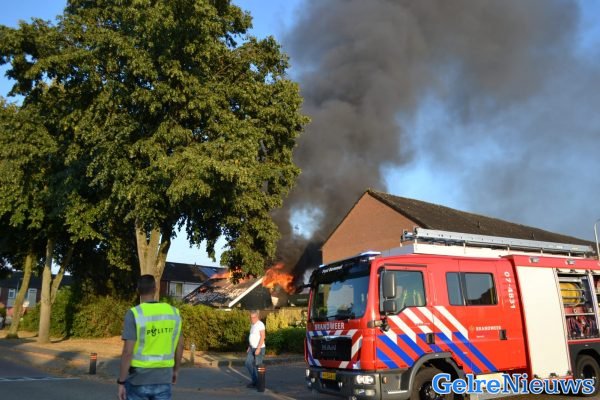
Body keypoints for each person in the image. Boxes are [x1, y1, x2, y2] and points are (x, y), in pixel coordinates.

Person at [118, 275, 184, 400]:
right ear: (155, 289)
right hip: (164, 378)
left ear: (138, 290)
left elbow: (128, 352)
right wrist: (176, 370)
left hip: (138, 379)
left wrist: (121, 382)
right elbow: (180, 345)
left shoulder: (134, 314)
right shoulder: (174, 313)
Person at [244, 310, 265, 388]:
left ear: (257, 317)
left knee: (258, 366)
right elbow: (252, 336)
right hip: (252, 348)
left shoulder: (260, 324)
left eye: (254, 317)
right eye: (251, 317)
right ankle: (255, 381)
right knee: (248, 363)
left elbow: (263, 336)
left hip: (259, 348)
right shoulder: (252, 325)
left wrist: (258, 348)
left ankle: (260, 384)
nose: (252, 319)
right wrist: (249, 346)